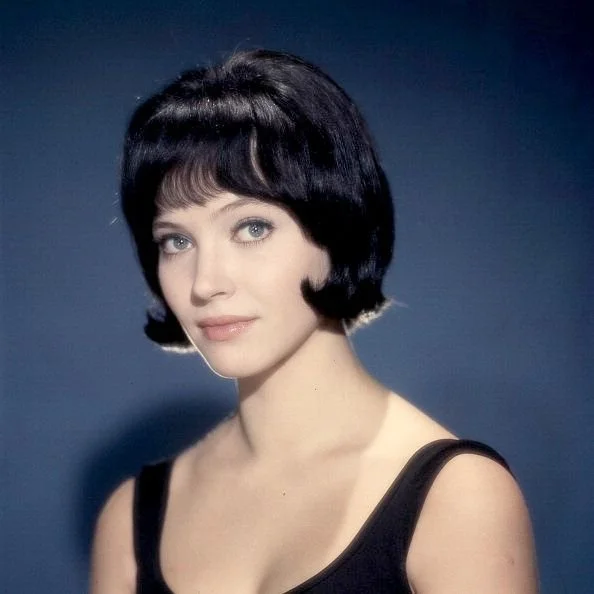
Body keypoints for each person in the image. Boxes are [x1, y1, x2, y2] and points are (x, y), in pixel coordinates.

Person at [90, 49, 539, 593]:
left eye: (252, 228)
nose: (205, 283)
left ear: (336, 229)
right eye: (176, 241)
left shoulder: (458, 499)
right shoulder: (129, 521)